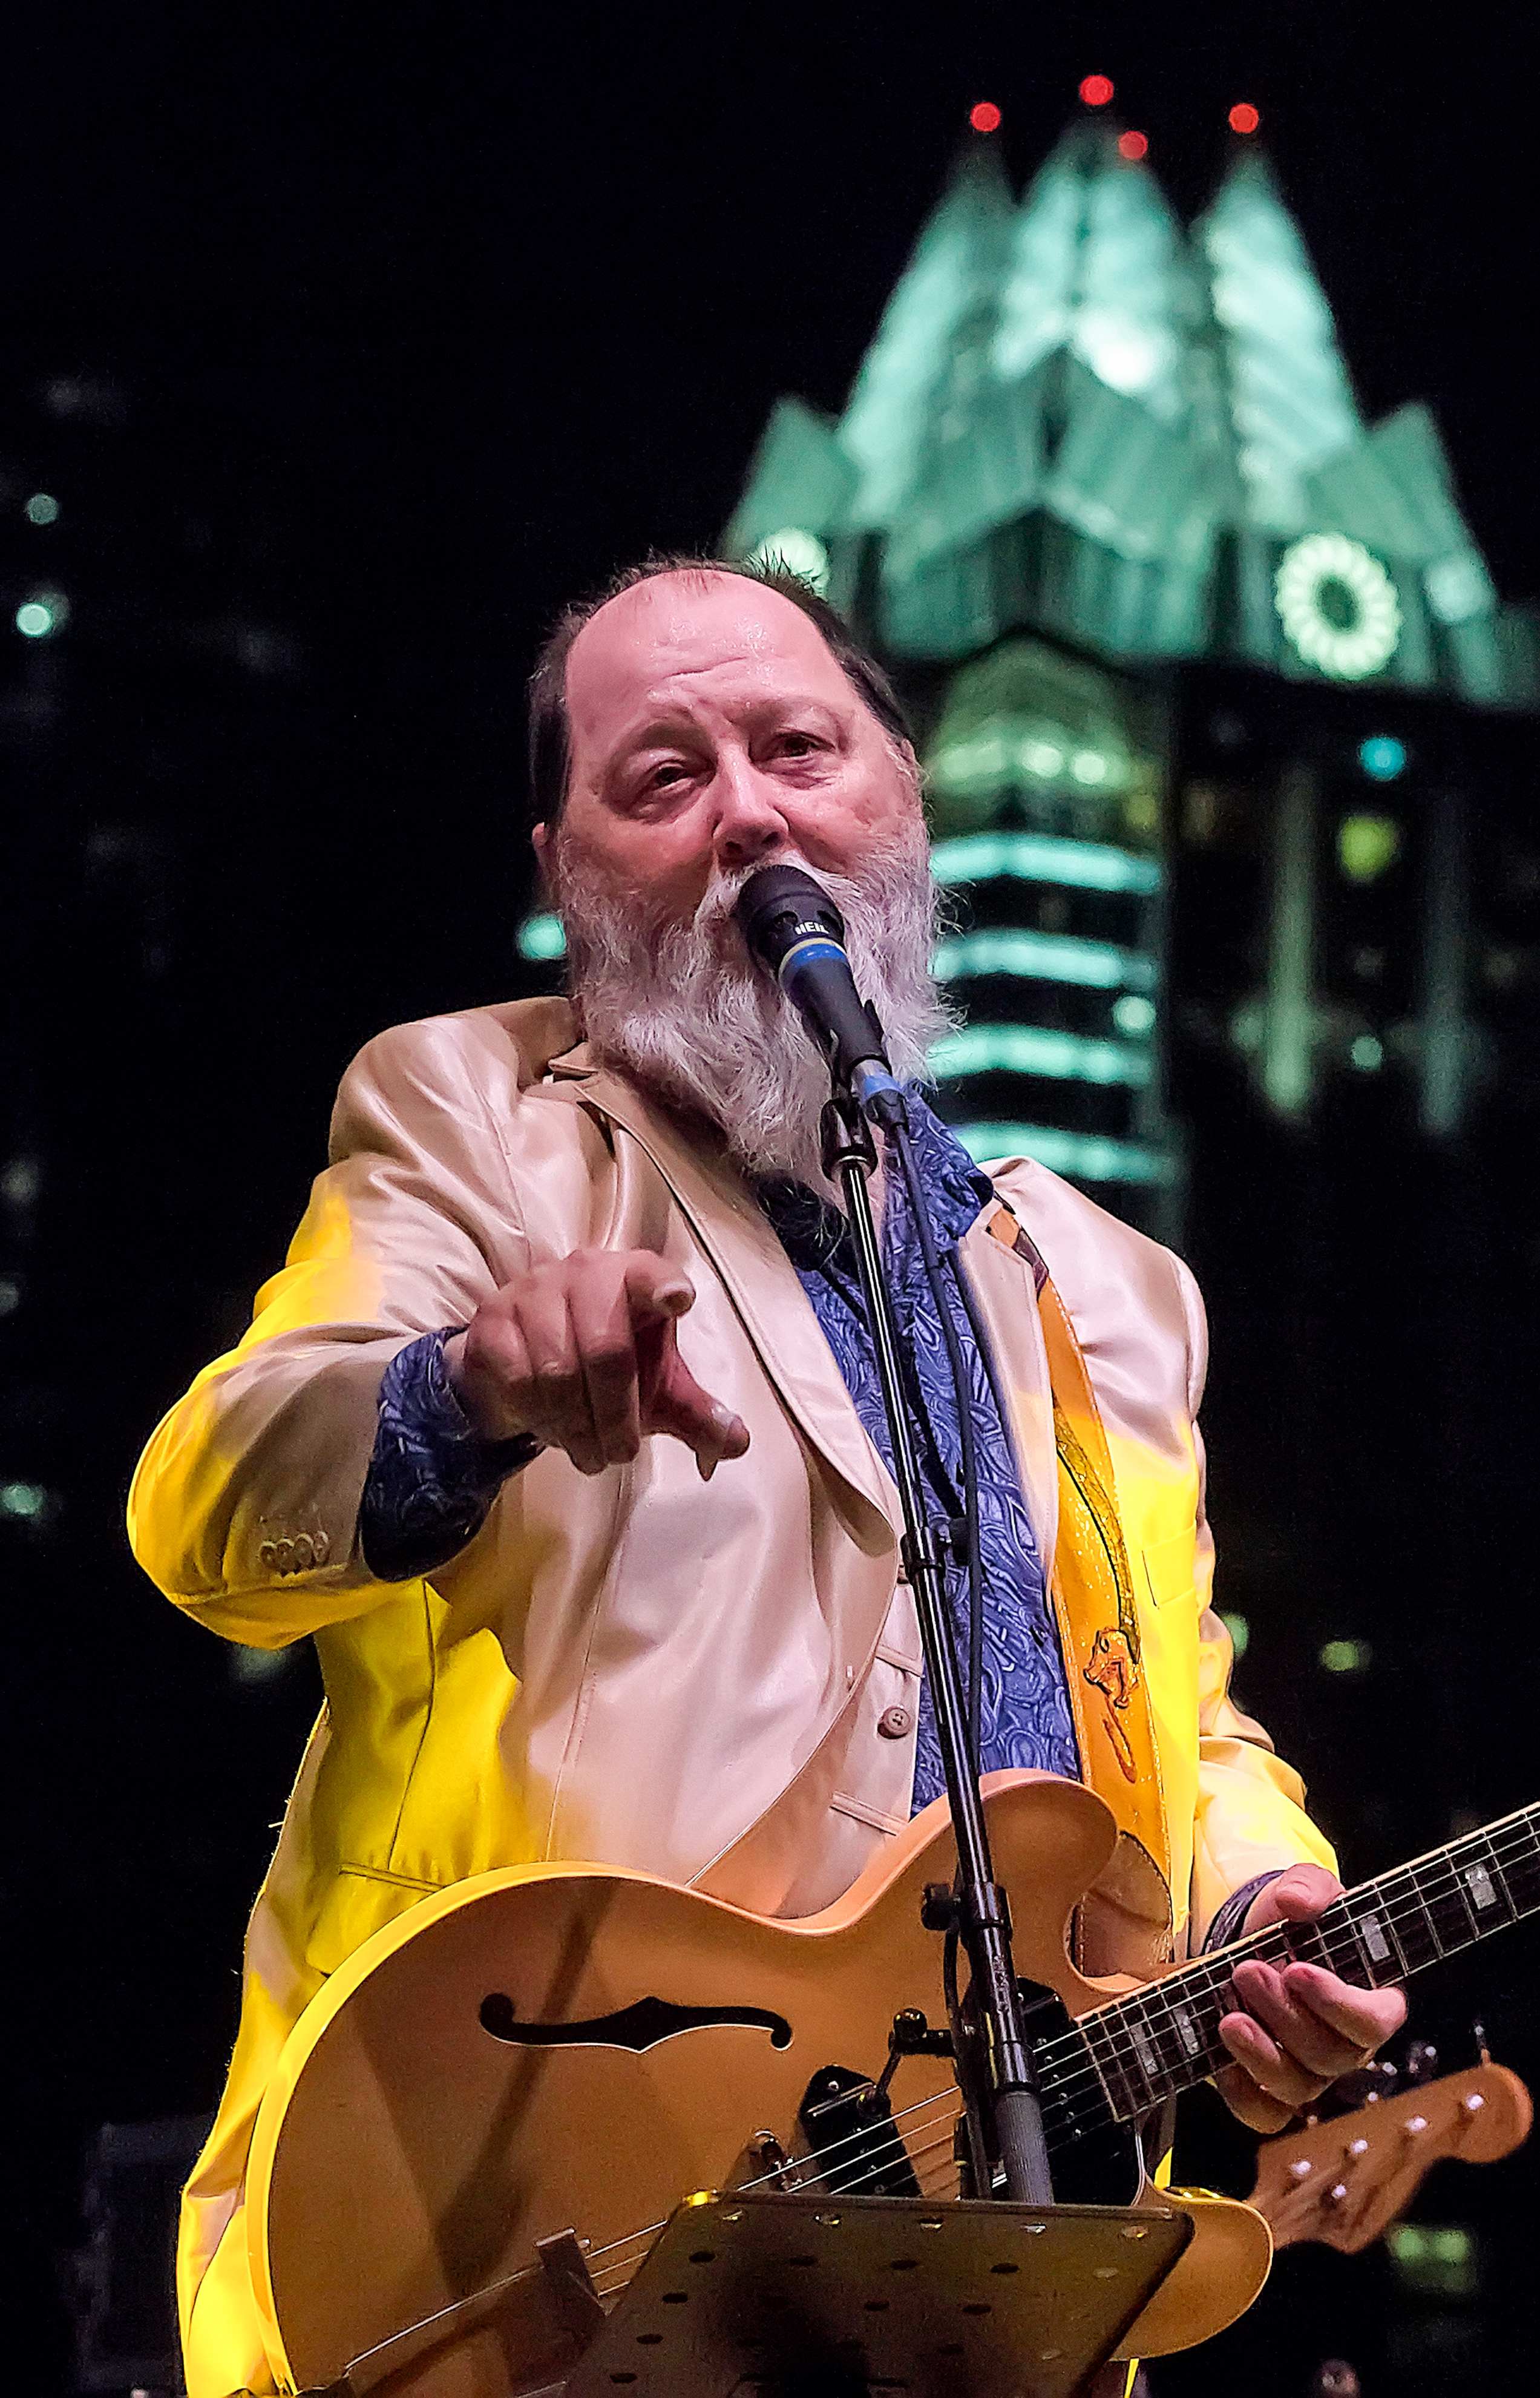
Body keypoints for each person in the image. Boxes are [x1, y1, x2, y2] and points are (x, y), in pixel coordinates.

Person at [129, 557, 1406, 2398]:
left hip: (982, 2277)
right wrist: (466, 1391)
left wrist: (1255, 1906)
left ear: (902, 796)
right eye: (665, 775)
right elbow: (212, 1501)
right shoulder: (475, 1114)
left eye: (799, 748)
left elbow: (1174, 1720)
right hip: (515, 2223)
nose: (747, 811)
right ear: (565, 864)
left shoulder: (1110, 1291)